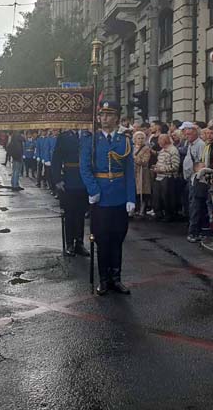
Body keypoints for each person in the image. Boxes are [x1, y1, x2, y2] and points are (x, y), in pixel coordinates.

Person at [81, 101, 136, 295]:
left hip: (119, 197)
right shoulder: (91, 140)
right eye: (102, 115)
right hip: (101, 198)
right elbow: (85, 168)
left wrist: (131, 198)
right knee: (102, 239)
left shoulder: (125, 141)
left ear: (116, 118)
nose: (104, 118)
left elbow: (130, 171)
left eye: (109, 115)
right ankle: (103, 279)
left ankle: (116, 278)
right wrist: (93, 190)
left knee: (118, 238)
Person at [51, 128, 90, 256]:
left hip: (85, 179)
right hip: (69, 179)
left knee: (81, 213)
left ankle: (79, 242)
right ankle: (69, 243)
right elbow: (56, 159)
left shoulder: (88, 135)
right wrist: (57, 179)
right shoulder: (63, 136)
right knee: (70, 213)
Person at [152, 134, 181, 222]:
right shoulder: (162, 150)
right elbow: (159, 161)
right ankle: (159, 214)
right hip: (159, 177)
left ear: (165, 140)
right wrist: (156, 167)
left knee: (167, 197)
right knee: (157, 196)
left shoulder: (173, 150)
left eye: (160, 140)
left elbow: (175, 166)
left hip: (168, 177)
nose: (158, 142)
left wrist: (162, 169)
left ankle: (169, 215)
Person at [132, 131, 154, 217]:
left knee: (143, 191)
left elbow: (145, 162)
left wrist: (135, 158)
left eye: (142, 138)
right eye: (138, 138)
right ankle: (134, 209)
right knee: (134, 191)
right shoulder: (132, 148)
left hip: (142, 173)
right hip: (133, 172)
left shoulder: (146, 149)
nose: (140, 140)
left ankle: (142, 209)